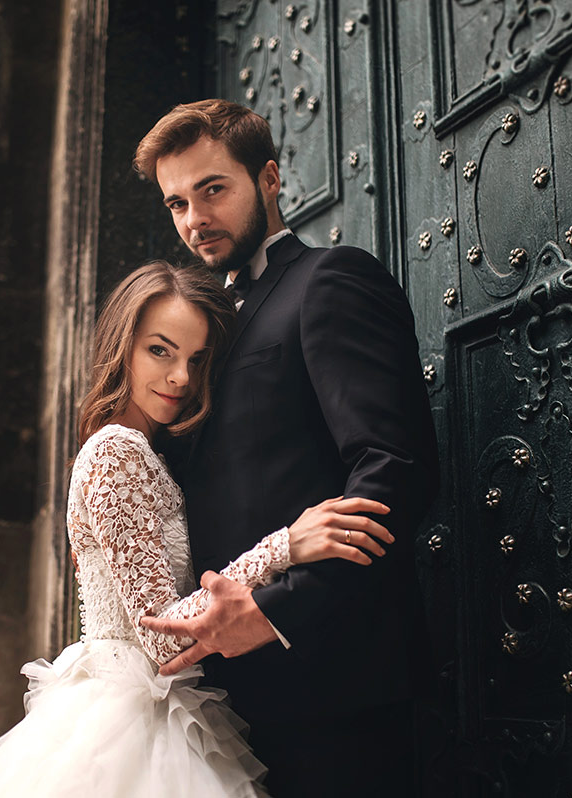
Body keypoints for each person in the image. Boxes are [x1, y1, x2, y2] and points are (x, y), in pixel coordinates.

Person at [0, 261, 398, 797]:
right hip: (127, 721)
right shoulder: (116, 450)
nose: (181, 377)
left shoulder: (153, 453)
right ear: (122, 346)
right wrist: (285, 545)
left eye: (196, 359)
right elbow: (161, 637)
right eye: (160, 350)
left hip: (163, 707)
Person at [134, 100, 440, 796]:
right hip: (219, 701)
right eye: (176, 202)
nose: (194, 219)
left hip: (330, 684)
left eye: (213, 189)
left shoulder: (329, 280)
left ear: (268, 178)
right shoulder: (201, 330)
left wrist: (275, 612)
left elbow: (397, 469)